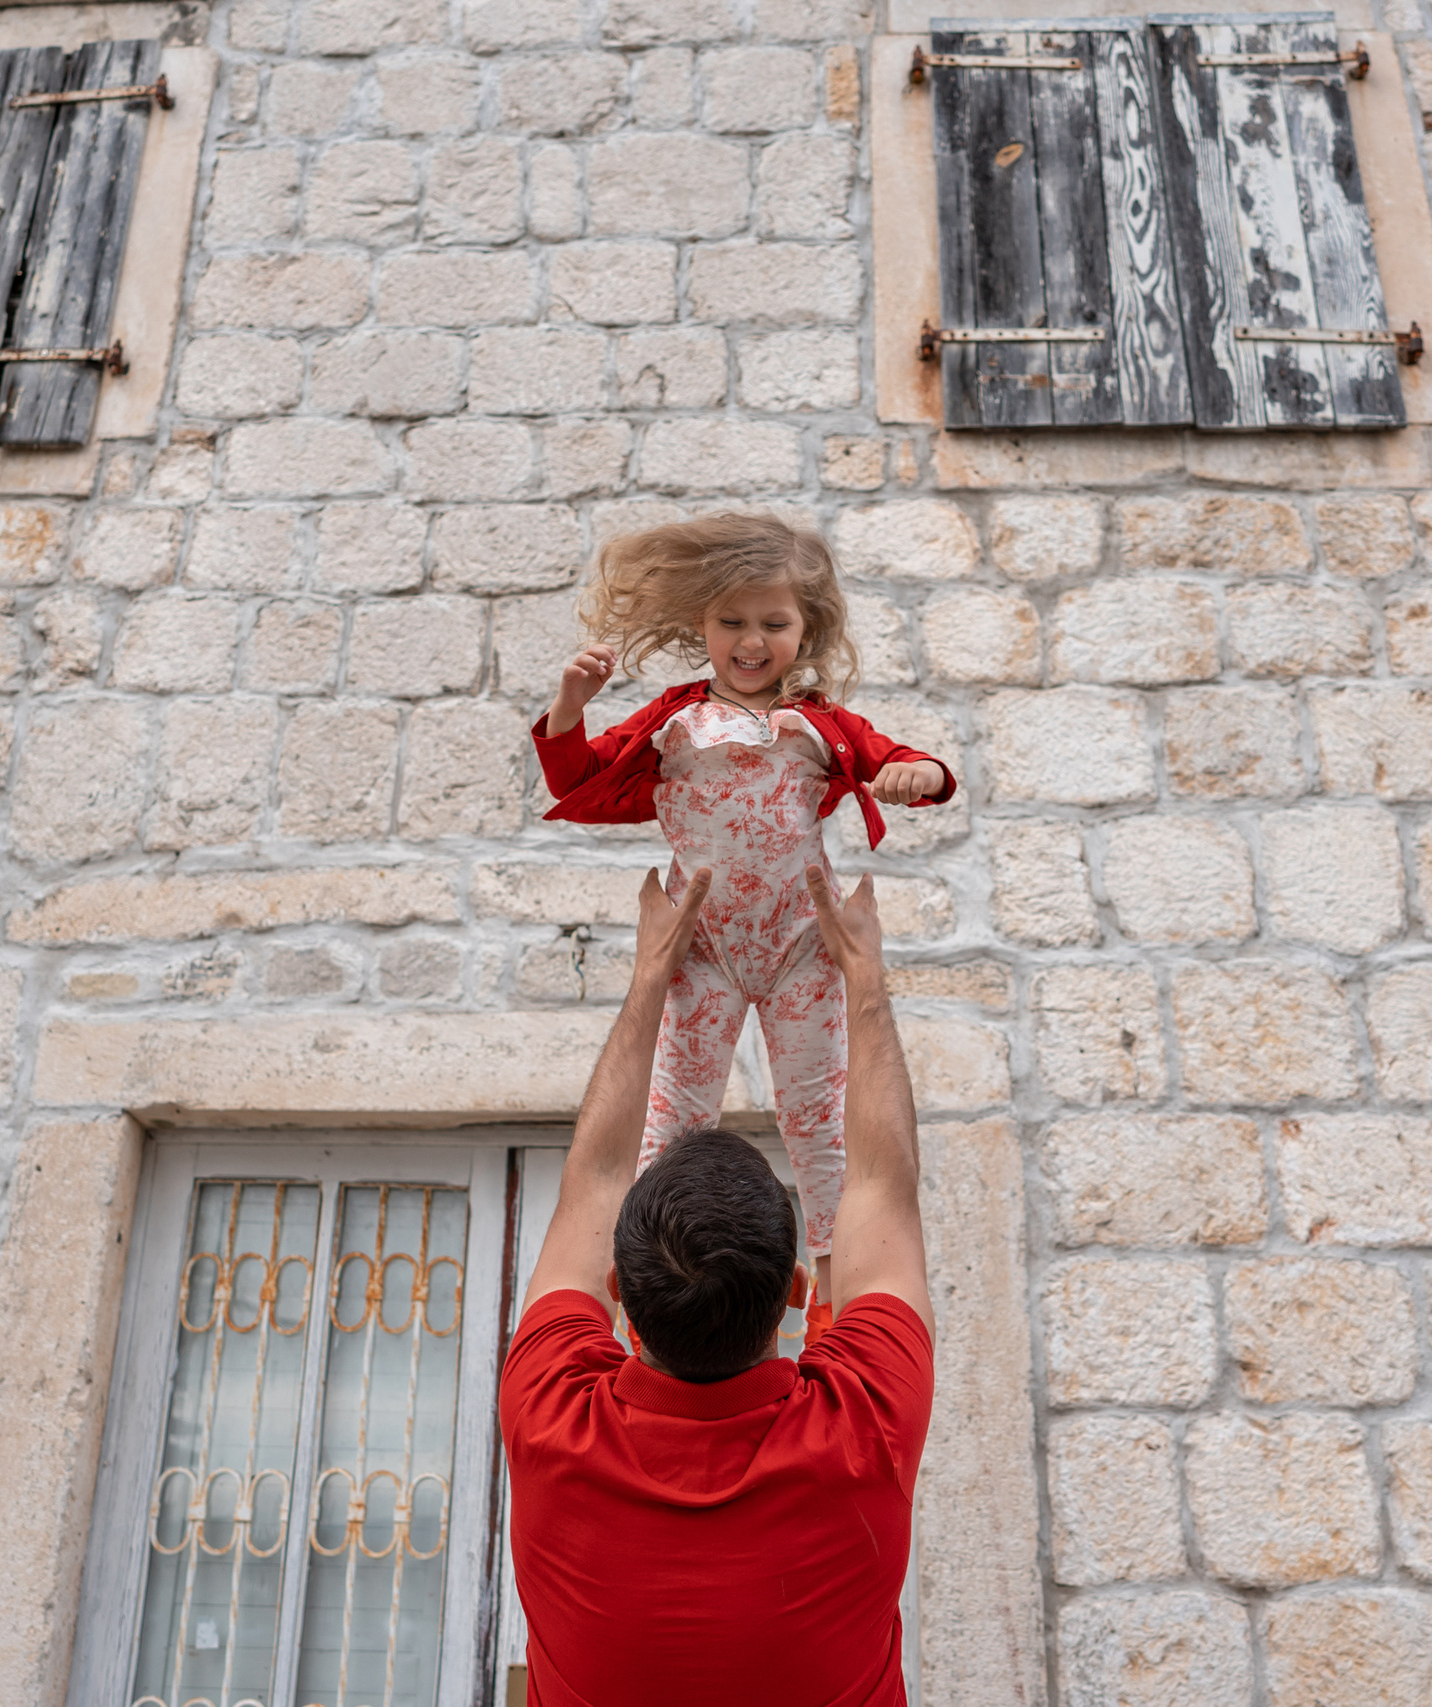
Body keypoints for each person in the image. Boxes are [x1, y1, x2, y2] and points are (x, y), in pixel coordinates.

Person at [497, 860, 933, 1707]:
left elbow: (591, 1182)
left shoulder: (549, 1413)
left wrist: (651, 975)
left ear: (618, 1290)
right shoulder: (864, 1424)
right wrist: (864, 982)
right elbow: (882, 1184)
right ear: (800, 1292)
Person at [531, 512, 954, 1338]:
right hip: (706, 947)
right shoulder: (675, 721)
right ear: (702, 624)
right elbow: (581, 778)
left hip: (801, 943)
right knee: (675, 1116)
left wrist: (917, 773)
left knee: (818, 1121)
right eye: (732, 621)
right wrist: (569, 704)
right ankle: (638, 1297)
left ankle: (834, 1305)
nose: (751, 641)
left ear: (806, 628)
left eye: (774, 623)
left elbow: (907, 763)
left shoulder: (820, 725)